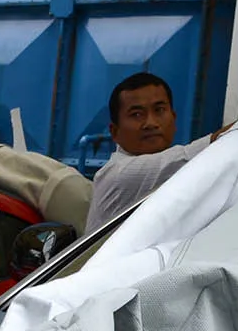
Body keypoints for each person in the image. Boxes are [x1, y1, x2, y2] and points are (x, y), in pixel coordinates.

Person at [85, 71, 226, 233]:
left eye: (159, 110)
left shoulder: (165, 175)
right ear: (114, 131)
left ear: (173, 118)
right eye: (136, 114)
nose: (151, 123)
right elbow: (205, 150)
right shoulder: (120, 174)